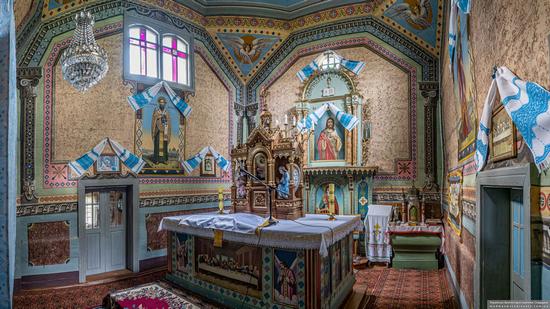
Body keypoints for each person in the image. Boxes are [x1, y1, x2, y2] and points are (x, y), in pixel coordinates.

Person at [151, 97, 171, 164]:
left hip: (165, 130)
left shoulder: (166, 112)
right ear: (159, 103)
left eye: (163, 103)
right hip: (158, 131)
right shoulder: (156, 110)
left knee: (164, 145)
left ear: (165, 104)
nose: (162, 104)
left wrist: (165, 117)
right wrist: (158, 117)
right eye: (161, 103)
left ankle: (164, 160)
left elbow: (169, 121)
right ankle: (157, 160)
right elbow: (154, 119)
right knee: (157, 145)